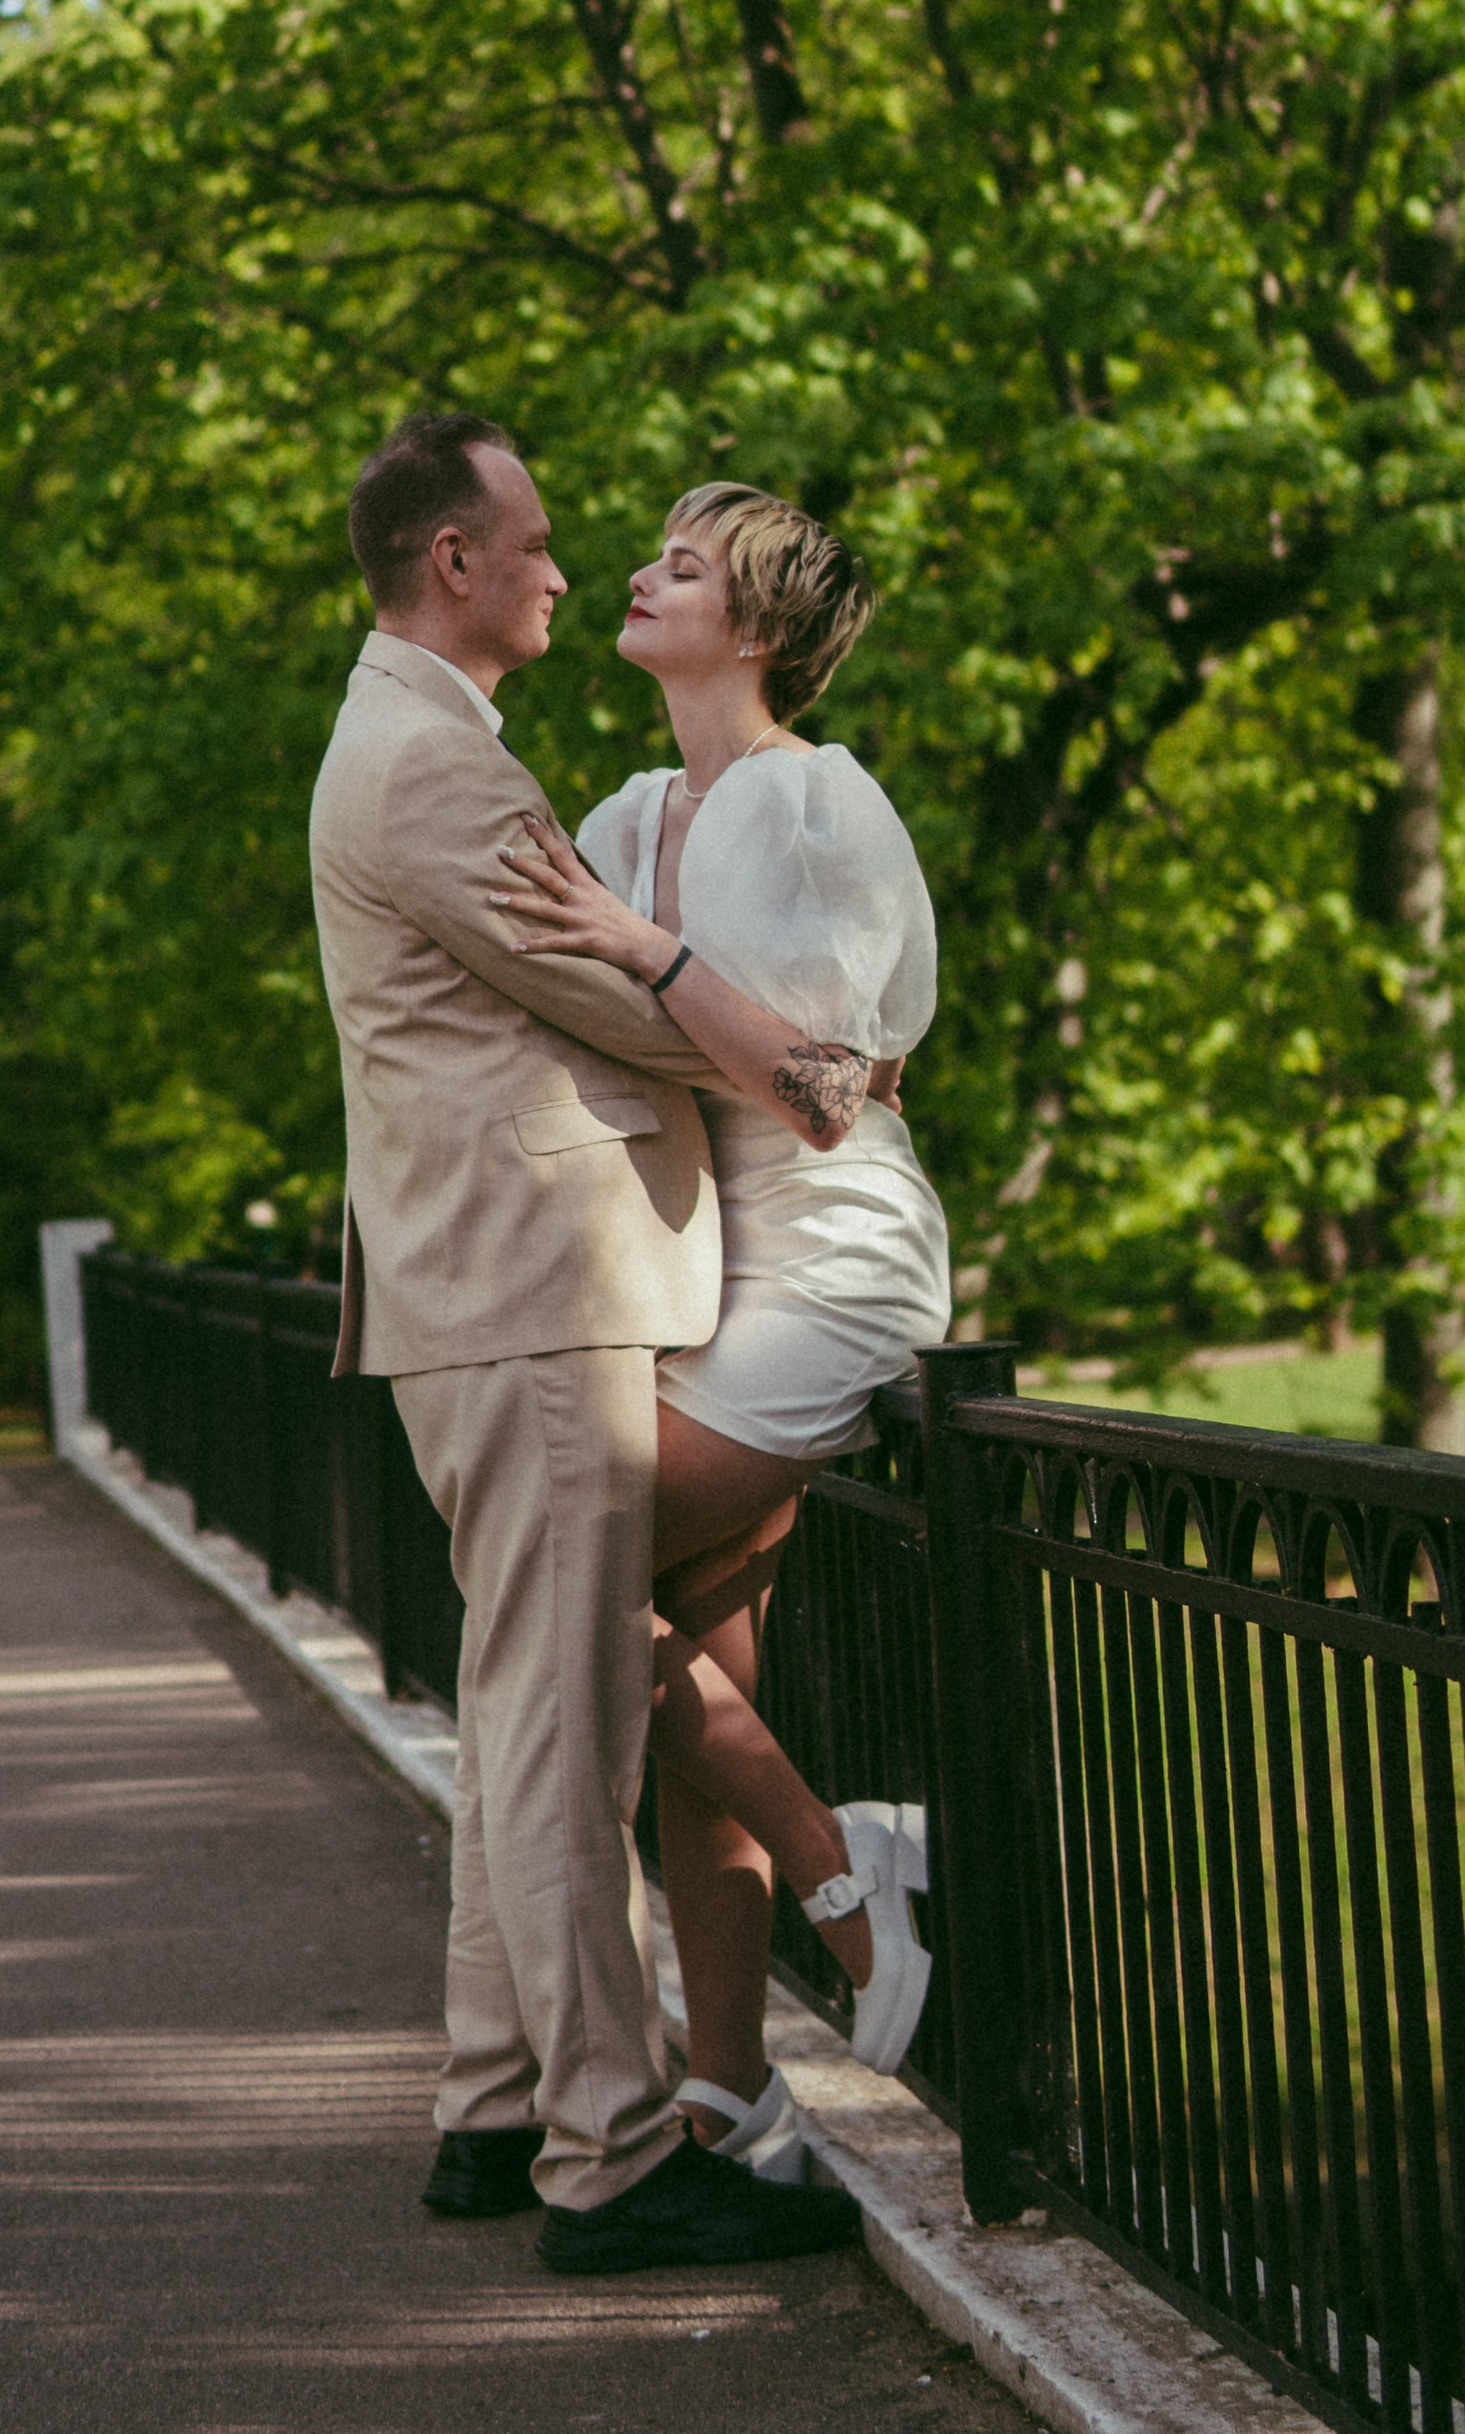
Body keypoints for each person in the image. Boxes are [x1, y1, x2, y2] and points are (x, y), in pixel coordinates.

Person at [309, 410, 863, 2280]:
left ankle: (491, 2105)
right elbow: (617, 1011)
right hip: (533, 1290)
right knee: (564, 1735)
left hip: (492, 1288)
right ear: (451, 563)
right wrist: (720, 999)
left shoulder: (411, 739)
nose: (563, 569)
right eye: (535, 543)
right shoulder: (436, 771)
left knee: (522, 1707)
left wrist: (650, 962)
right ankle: (612, 2156)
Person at [489, 480, 951, 2178]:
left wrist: (640, 949)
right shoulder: (617, 814)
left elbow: (834, 1092)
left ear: (752, 629)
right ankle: (732, 2080)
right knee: (699, 1660)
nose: (633, 575)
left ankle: (846, 1870)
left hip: (828, 1259)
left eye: (679, 567)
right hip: (685, 1270)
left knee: (568, 1582)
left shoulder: (817, 803)